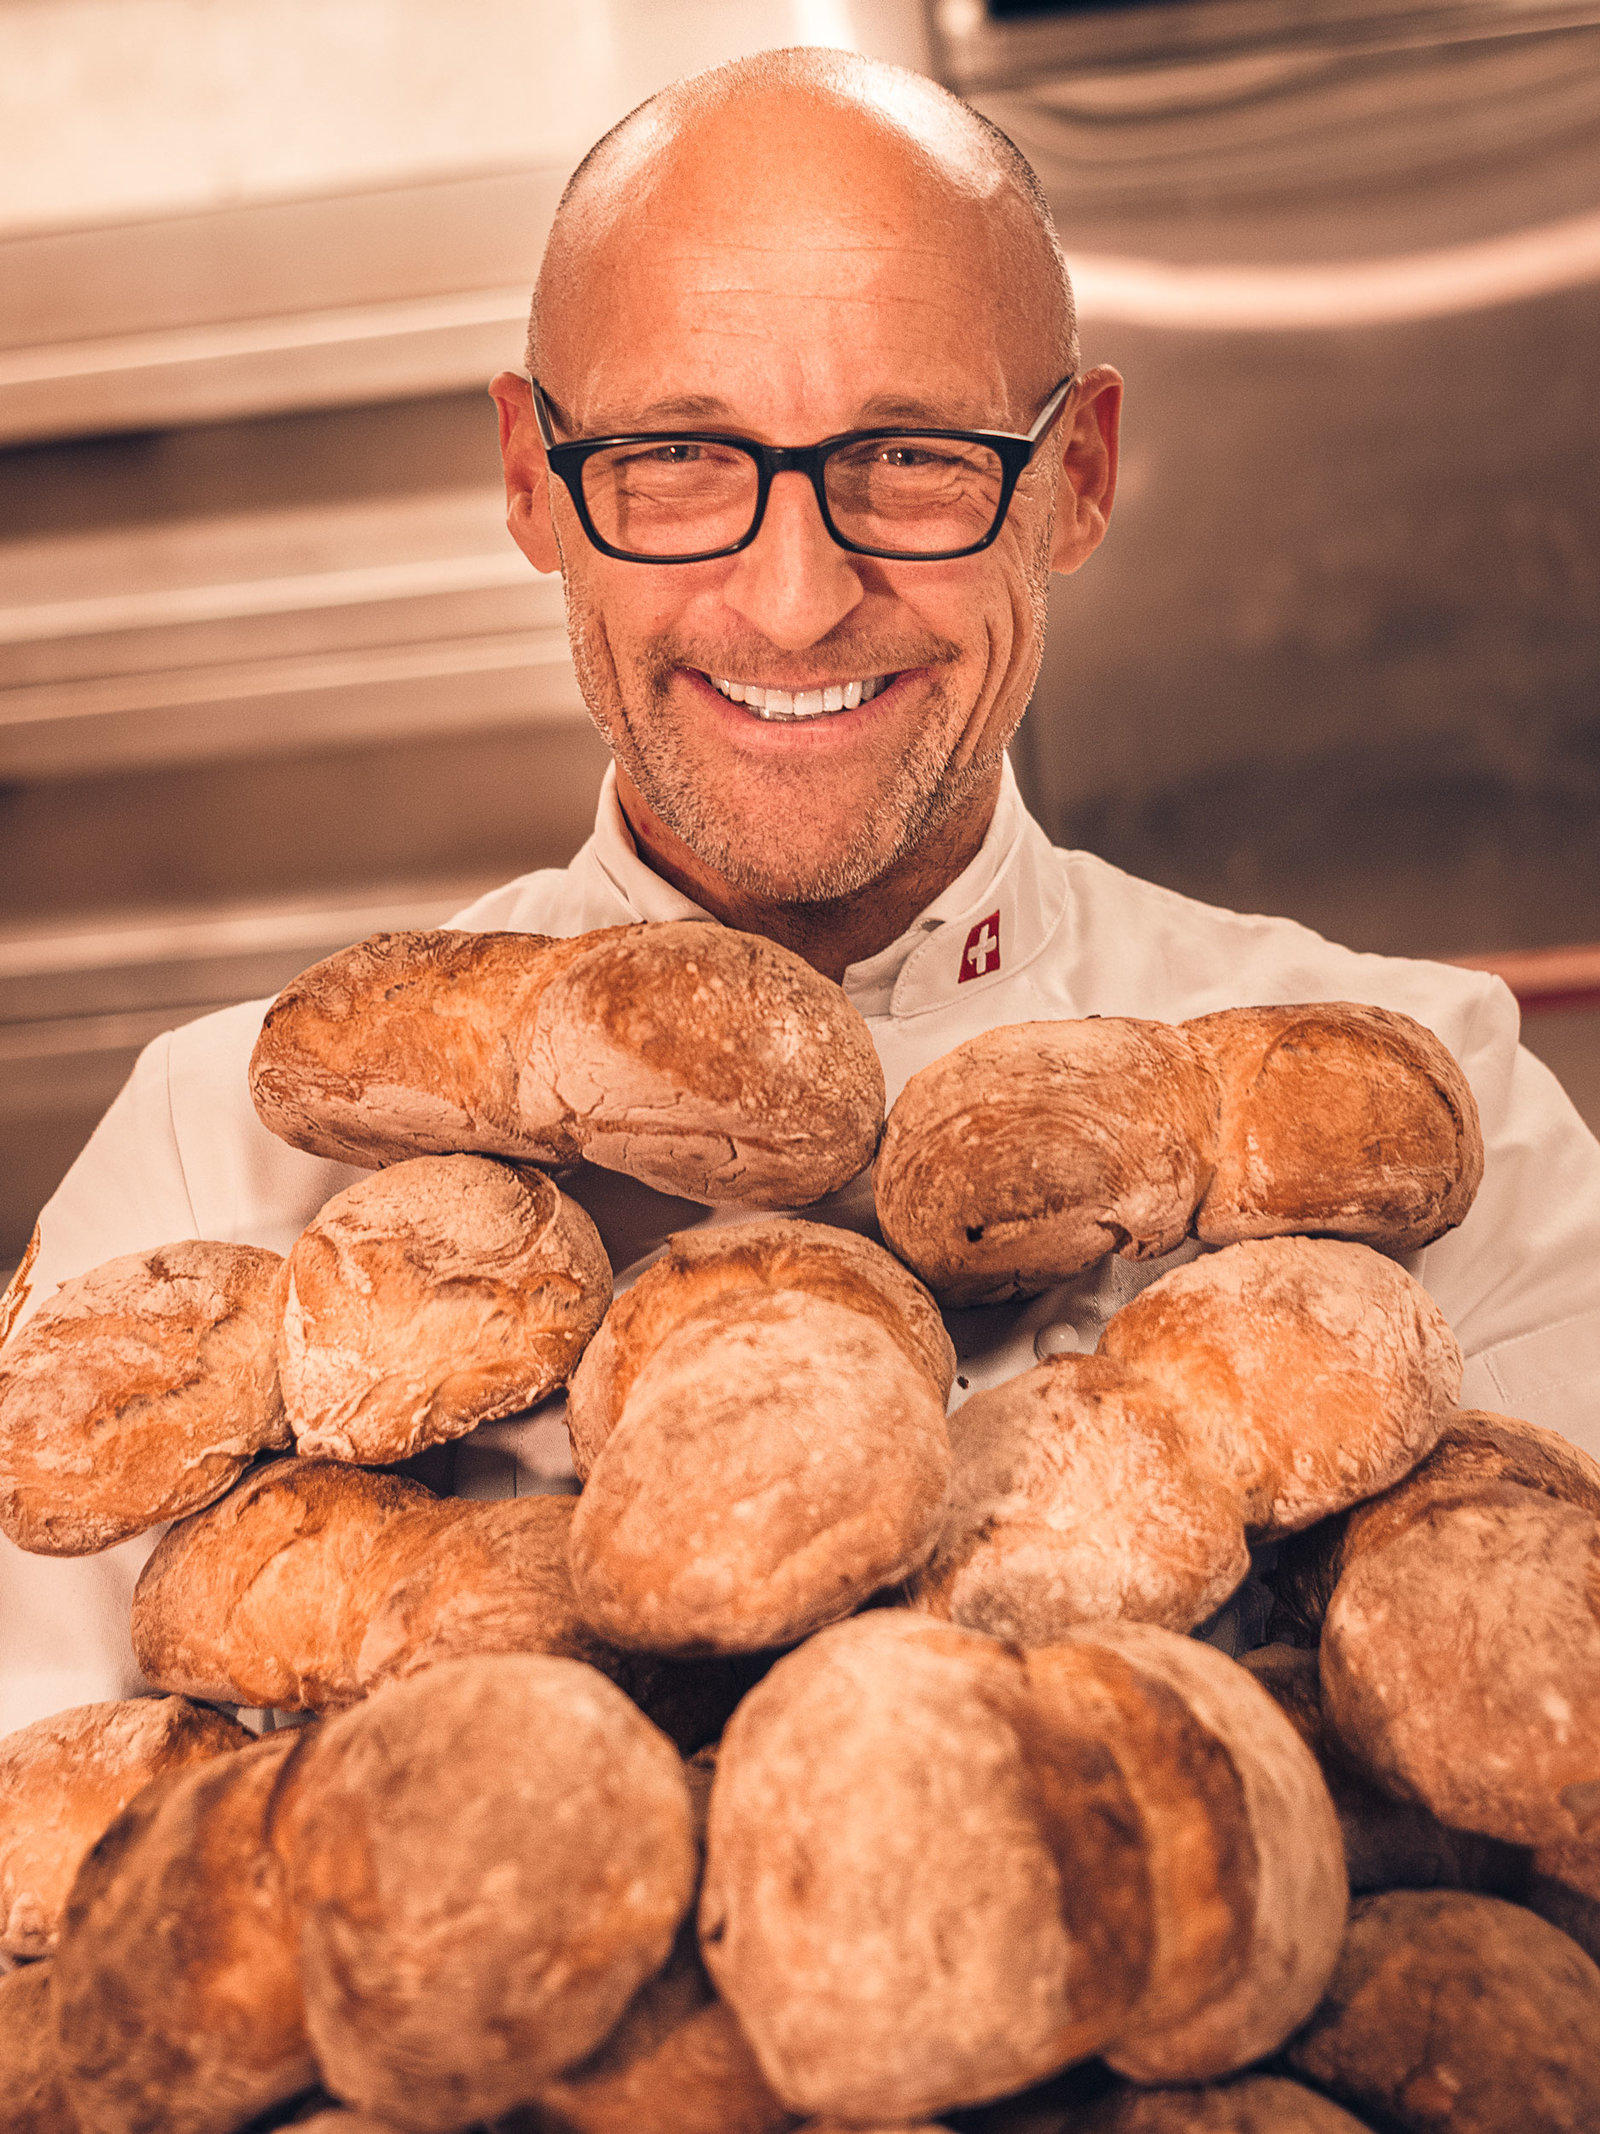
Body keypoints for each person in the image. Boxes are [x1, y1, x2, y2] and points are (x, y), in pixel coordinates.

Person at [3, 48, 1598, 1734]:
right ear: (534, 479)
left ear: (1078, 475)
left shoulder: (1440, 1118)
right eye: (680, 453)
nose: (793, 597)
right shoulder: (212, 1157)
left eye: (911, 455)